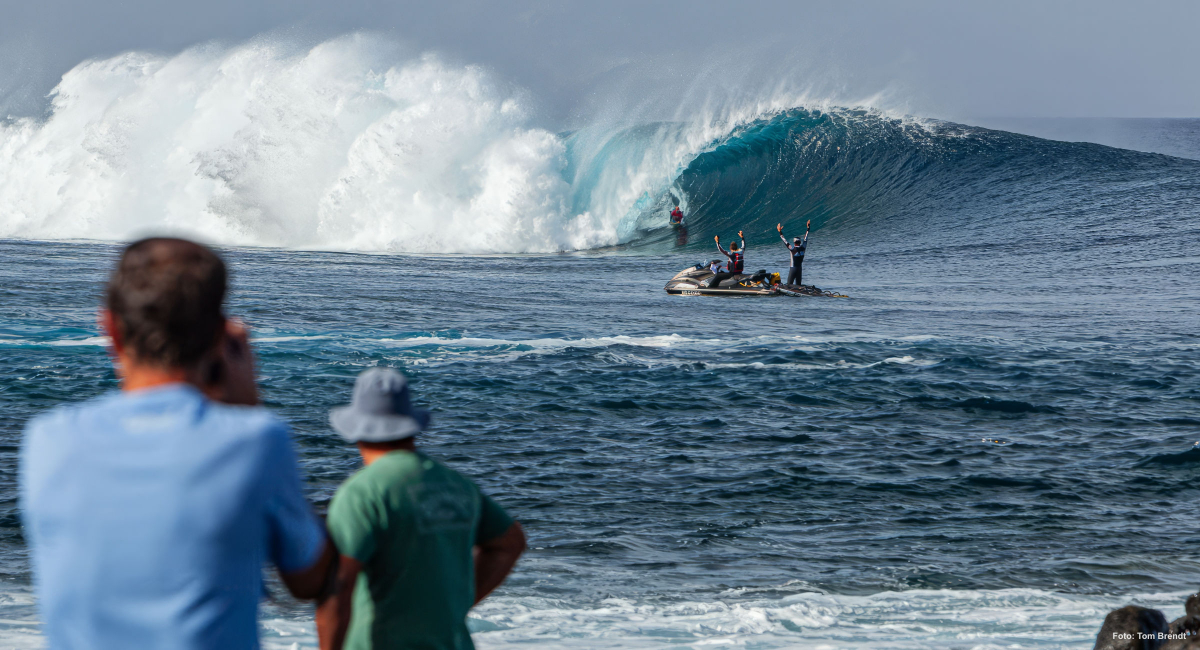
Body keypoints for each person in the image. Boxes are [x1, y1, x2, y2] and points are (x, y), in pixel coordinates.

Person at [20, 238, 336, 650]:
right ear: (219, 337)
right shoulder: (255, 440)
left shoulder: (48, 440)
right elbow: (310, 577)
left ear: (110, 329)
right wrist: (247, 406)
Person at [317, 367, 525, 650]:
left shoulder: (361, 493)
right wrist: (454, 606)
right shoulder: (457, 484)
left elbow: (338, 588)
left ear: (357, 429)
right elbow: (510, 542)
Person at [777, 220, 811, 286]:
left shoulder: (792, 249)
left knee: (789, 285)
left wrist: (780, 232)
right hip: (799, 269)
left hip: (793, 269)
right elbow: (805, 238)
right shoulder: (803, 248)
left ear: (794, 242)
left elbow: (785, 241)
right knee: (799, 286)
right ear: (800, 242)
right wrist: (808, 228)